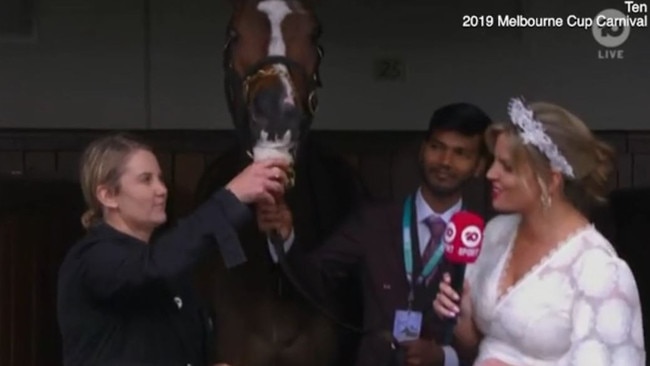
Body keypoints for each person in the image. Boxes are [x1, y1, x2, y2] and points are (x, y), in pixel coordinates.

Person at [257, 102, 493, 366]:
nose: (445, 161)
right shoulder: (373, 220)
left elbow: (497, 335)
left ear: (479, 167)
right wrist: (286, 236)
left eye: (460, 153)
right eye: (437, 147)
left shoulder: (487, 238)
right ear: (422, 150)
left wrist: (444, 357)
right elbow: (314, 278)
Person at [433, 97, 646, 365]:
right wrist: (462, 317)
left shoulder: (600, 271)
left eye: (507, 167)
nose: (490, 174)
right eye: (494, 162)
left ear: (550, 180)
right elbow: (477, 346)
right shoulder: (496, 233)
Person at [56, 132, 289, 366]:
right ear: (108, 195)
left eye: (160, 179)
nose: (161, 189)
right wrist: (232, 197)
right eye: (146, 180)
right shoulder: (92, 258)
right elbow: (150, 269)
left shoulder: (169, 270)